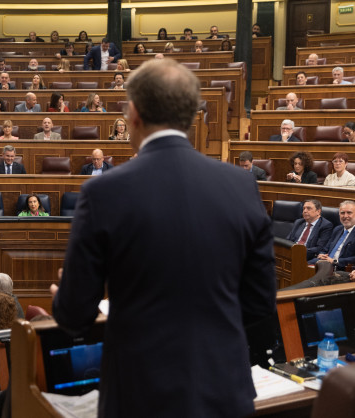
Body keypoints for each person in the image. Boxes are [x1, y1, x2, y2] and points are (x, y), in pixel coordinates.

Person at [51, 58, 276, 418]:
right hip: (223, 389)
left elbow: (75, 317)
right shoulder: (242, 185)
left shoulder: (103, 191)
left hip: (140, 395)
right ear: (190, 115)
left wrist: (66, 295)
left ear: (134, 113)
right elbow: (261, 303)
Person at [307, 200, 355, 269]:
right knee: (300, 267)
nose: (345, 216)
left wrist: (335, 261)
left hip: (340, 267)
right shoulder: (337, 229)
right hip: (324, 263)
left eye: (349, 213)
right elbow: (325, 248)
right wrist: (321, 254)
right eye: (342, 213)